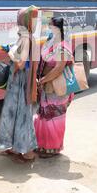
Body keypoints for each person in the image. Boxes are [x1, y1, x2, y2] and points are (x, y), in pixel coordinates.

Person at [0, 5, 39, 163]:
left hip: (20, 83)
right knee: (14, 114)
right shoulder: (24, 37)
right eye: (33, 19)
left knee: (22, 115)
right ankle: (15, 148)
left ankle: (27, 152)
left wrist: (10, 52)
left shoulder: (26, 38)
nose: (35, 23)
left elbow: (20, 64)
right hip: (17, 82)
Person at [34, 17, 75, 158]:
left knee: (54, 117)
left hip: (58, 88)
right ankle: (42, 145)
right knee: (44, 115)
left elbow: (58, 69)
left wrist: (44, 79)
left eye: (51, 26)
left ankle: (52, 148)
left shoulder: (63, 47)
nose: (48, 29)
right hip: (47, 87)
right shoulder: (52, 44)